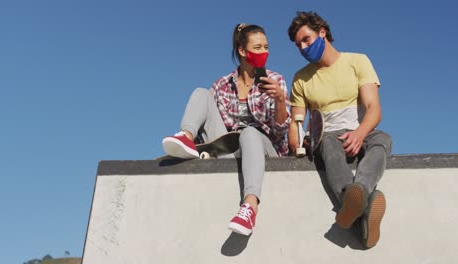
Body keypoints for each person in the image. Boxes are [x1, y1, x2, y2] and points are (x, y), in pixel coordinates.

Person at [162, 23, 291, 236]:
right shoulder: (222, 84)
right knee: (202, 93)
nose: (264, 52)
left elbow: (279, 133)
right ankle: (186, 137)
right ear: (242, 50)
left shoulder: (275, 80)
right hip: (230, 146)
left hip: (264, 149)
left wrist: (279, 100)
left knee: (250, 132)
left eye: (266, 47)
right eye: (257, 47)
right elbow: (208, 116)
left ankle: (249, 207)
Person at [287, 11, 392, 248]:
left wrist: (360, 133)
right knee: (328, 143)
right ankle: (352, 199)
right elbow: (297, 122)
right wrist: (295, 137)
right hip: (327, 136)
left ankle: (359, 195)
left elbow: (373, 108)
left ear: (322, 32)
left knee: (383, 139)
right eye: (298, 45)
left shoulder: (357, 61)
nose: (303, 48)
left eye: (306, 39)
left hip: (360, 130)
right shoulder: (300, 79)